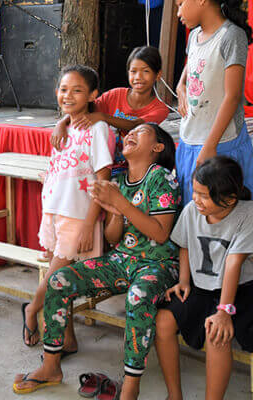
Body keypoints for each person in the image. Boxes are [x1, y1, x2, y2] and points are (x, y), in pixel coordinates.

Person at [13, 123, 180, 400]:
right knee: (59, 280)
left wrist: (121, 204)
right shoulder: (121, 180)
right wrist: (115, 211)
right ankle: (51, 366)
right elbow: (114, 237)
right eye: (130, 132)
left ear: (158, 147)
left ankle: (131, 385)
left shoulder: (162, 177)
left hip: (157, 264)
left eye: (141, 131)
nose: (132, 134)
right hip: (121, 260)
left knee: (138, 297)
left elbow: (161, 235)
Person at [23, 65, 113, 349]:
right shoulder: (65, 126)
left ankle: (30, 310)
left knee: (53, 279)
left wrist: (90, 223)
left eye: (77, 90)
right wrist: (63, 121)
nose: (68, 95)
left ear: (92, 94)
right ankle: (69, 338)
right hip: (53, 209)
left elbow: (103, 180)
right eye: (63, 89)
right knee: (60, 278)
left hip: (78, 216)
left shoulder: (98, 129)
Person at [155, 156, 253, 400]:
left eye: (204, 195)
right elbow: (186, 245)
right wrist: (184, 280)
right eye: (195, 191)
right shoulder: (192, 209)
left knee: (216, 333)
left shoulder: (247, 214)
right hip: (201, 286)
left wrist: (224, 311)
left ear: (230, 198)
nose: (196, 199)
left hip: (239, 290)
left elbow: (234, 262)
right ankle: (174, 395)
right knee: (163, 321)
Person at [175, 0, 253, 203]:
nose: (178, 12)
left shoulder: (231, 35)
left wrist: (210, 146)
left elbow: (233, 96)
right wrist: (180, 86)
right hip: (189, 139)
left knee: (223, 207)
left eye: (181, 4)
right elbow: (191, 66)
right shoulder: (194, 36)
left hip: (221, 144)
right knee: (194, 209)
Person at [51, 46, 169, 177]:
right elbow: (86, 108)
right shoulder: (114, 95)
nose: (138, 77)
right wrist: (62, 122)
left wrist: (103, 117)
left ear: (158, 75)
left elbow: (135, 125)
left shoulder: (160, 109)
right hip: (107, 164)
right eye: (133, 71)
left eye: (145, 71)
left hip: (138, 170)